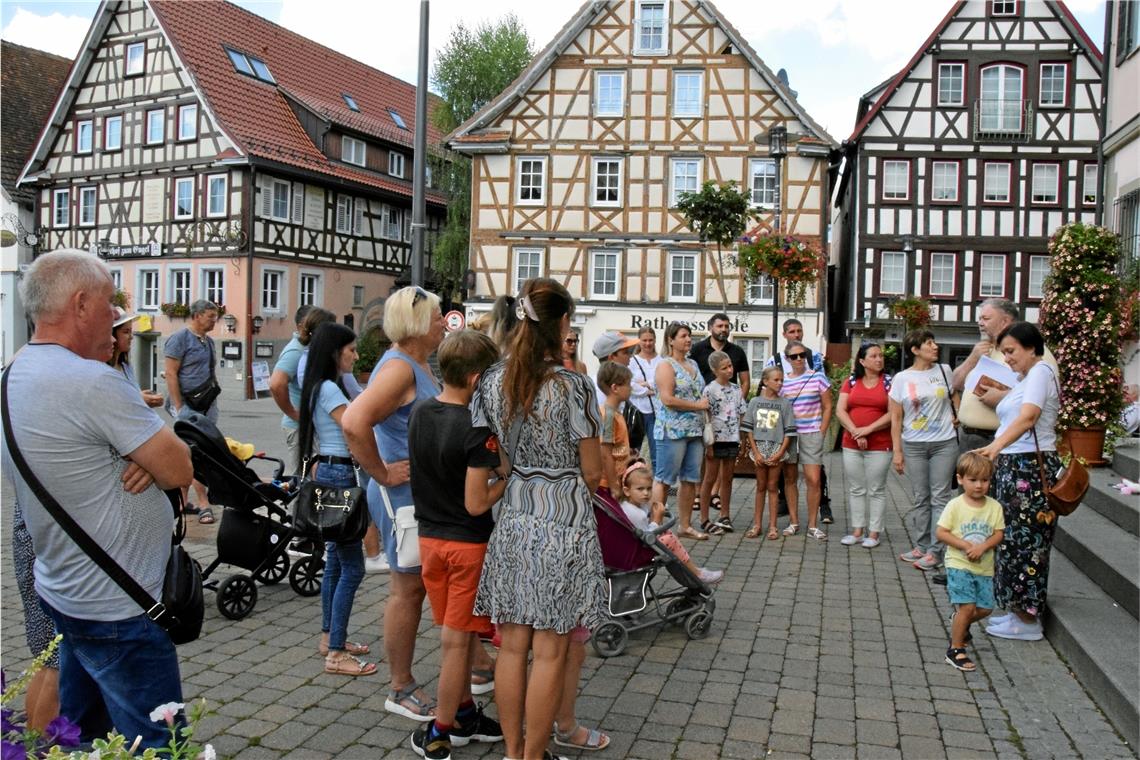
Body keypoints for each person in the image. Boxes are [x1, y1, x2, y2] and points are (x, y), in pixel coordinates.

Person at [2, 249, 193, 748]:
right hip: (120, 607)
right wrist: (148, 460)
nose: (116, 315)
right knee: (158, 742)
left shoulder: (12, 374)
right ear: (81, 304)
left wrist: (136, 459)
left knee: (79, 736)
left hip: (67, 590)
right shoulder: (93, 381)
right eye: (110, 303)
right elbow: (179, 467)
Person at [468, 277, 607, 760]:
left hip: (515, 515)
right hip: (563, 517)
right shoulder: (573, 387)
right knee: (550, 650)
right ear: (561, 324)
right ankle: (532, 755)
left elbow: (496, 460)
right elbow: (592, 471)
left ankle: (511, 752)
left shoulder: (490, 381)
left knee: (511, 646)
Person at [343, 286, 444, 720]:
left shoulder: (415, 362)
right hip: (401, 497)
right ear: (418, 323)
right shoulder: (401, 368)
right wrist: (381, 471)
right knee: (408, 589)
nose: (444, 322)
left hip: (419, 494)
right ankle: (400, 686)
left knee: (427, 583)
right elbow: (353, 421)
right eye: (438, 316)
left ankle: (475, 665)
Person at [408, 330, 505, 758]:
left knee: (459, 638)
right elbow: (475, 501)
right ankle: (440, 731)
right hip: (468, 547)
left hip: (430, 541)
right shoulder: (475, 428)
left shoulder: (420, 412)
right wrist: (505, 479)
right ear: (476, 378)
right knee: (456, 641)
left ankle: (465, 710)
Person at [296, 322, 375, 677]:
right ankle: (337, 652)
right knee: (353, 567)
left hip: (328, 473)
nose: (356, 356)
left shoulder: (320, 386)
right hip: (340, 475)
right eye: (351, 350)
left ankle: (329, 637)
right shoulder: (329, 389)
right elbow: (354, 428)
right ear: (334, 352)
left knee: (335, 562)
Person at [975, 322, 1061, 642]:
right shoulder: (1027, 377)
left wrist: (996, 447)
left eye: (1011, 351)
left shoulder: (1041, 372)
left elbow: (1028, 418)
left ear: (1031, 348)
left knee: (1026, 544)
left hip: (1027, 468)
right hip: (1015, 466)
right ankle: (1015, 611)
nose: (1007, 358)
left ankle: (1027, 618)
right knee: (1011, 540)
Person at [951, 299, 1057, 454]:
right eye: (979, 319)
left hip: (1001, 440)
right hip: (967, 436)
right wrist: (973, 358)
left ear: (1005, 321)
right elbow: (955, 384)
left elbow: (1041, 396)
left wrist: (1003, 396)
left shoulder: (1034, 355)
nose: (980, 323)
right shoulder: (984, 349)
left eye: (986, 318)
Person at [890, 330, 958, 572]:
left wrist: (958, 416)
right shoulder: (901, 379)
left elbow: (954, 396)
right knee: (921, 498)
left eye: (934, 341)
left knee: (940, 497)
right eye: (929, 343)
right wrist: (897, 452)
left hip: (944, 442)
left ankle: (935, 552)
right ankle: (921, 546)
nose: (935, 346)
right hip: (914, 444)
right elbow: (896, 418)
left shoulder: (944, 370)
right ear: (915, 350)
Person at [936, 452, 1004, 671]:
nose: (979, 486)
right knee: (968, 607)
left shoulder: (994, 506)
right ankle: (956, 649)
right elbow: (942, 532)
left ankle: (959, 622)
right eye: (973, 480)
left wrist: (983, 546)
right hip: (959, 564)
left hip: (984, 567)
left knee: (985, 608)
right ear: (960, 479)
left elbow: (998, 533)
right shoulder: (955, 506)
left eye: (984, 480)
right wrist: (966, 546)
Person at [765, 318, 832, 523]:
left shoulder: (814, 357)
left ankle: (823, 505)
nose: (796, 334)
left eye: (799, 331)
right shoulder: (774, 360)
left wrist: (821, 430)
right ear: (784, 334)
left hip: (810, 427)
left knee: (816, 473)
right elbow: (768, 394)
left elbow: (823, 391)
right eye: (792, 331)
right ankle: (790, 512)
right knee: (788, 474)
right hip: (788, 429)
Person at [652, 322, 710, 540]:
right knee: (664, 479)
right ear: (671, 340)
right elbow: (667, 399)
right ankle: (655, 526)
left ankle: (685, 525)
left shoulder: (693, 363)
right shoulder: (666, 366)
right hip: (672, 431)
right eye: (683, 336)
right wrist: (698, 406)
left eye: (689, 336)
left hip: (694, 431)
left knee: (690, 479)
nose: (688, 339)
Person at [164, 298, 220, 523]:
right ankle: (203, 502)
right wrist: (179, 408)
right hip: (188, 407)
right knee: (196, 454)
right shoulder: (179, 339)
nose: (214, 321)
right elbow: (170, 374)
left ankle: (182, 501)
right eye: (210, 317)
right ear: (197, 316)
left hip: (206, 406)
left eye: (215, 317)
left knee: (195, 453)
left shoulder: (208, 341)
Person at [618, 463, 723, 584]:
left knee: (666, 533)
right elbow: (647, 538)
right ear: (627, 491)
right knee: (669, 540)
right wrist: (656, 521)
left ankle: (691, 570)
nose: (646, 493)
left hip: (632, 550)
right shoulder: (636, 513)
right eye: (640, 489)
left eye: (648, 488)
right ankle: (696, 574)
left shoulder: (632, 505)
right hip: (637, 554)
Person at [836, 343, 892, 549]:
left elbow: (892, 413)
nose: (879, 359)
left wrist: (868, 430)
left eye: (881, 356)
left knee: (876, 489)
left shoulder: (888, 383)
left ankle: (875, 533)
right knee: (856, 488)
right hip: (851, 443)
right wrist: (854, 431)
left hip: (880, 444)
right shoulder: (851, 382)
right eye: (874, 356)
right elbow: (840, 410)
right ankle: (857, 530)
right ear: (862, 361)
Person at [780, 340, 832, 540]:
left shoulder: (817, 377)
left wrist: (822, 430)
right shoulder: (783, 381)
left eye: (802, 355)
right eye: (794, 356)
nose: (799, 359)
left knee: (814, 479)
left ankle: (812, 525)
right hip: (790, 434)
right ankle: (794, 521)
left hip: (812, 432)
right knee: (790, 478)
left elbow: (828, 406)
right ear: (788, 359)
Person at [741, 366, 795, 540]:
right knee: (760, 486)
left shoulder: (785, 404)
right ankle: (757, 524)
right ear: (765, 381)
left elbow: (789, 432)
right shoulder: (755, 402)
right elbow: (749, 429)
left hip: (776, 449)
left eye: (782, 380)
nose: (780, 383)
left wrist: (779, 454)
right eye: (776, 380)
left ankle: (773, 526)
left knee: (773, 487)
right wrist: (755, 453)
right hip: (759, 449)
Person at [698, 351, 746, 534]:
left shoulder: (736, 389)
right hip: (715, 439)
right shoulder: (709, 389)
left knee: (727, 477)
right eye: (724, 368)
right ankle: (704, 518)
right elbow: (706, 416)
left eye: (730, 366)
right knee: (710, 477)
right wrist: (709, 444)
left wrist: (742, 437)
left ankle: (724, 516)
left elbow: (741, 413)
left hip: (732, 438)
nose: (729, 370)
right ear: (715, 370)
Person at [270, 304, 315, 467]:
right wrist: (293, 413)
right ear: (301, 326)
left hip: (307, 426)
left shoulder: (307, 347)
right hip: (298, 428)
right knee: (303, 479)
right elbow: (276, 384)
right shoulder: (296, 350)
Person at [109, 308, 163, 408]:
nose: (131, 337)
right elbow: (107, 402)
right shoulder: (102, 368)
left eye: (131, 331)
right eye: (126, 332)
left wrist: (142, 397)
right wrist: (139, 399)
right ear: (112, 334)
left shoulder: (126, 366)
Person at [597, 361, 634, 494]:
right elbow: (605, 453)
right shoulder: (609, 416)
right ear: (615, 388)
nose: (631, 388)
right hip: (606, 485)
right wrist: (613, 486)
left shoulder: (616, 413)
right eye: (628, 384)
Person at [690, 312, 751, 392]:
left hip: (730, 401)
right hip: (703, 401)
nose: (724, 329)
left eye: (726, 326)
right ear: (710, 328)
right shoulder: (697, 349)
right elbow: (690, 379)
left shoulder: (738, 351)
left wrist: (739, 402)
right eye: (720, 326)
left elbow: (745, 382)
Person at [630, 327, 661, 464]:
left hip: (656, 411)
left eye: (650, 340)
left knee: (656, 452)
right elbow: (628, 384)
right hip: (636, 411)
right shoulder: (632, 361)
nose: (648, 343)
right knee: (633, 451)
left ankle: (656, 483)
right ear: (639, 341)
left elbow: (663, 382)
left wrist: (644, 383)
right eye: (644, 340)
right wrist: (648, 389)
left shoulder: (662, 361)